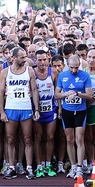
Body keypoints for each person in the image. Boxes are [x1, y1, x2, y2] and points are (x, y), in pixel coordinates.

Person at [0, 47, 40, 180]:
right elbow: (0, 92)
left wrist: (36, 109)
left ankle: (28, 167)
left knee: (27, 138)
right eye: (22, 57)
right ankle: (11, 167)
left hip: (26, 108)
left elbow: (34, 90)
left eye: (25, 56)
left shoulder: (29, 71)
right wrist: (1, 111)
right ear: (14, 58)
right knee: (10, 139)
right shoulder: (5, 72)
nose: (25, 59)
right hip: (11, 108)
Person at [55, 56, 93, 179]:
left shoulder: (84, 75)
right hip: (67, 111)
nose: (74, 70)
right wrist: (66, 94)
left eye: (76, 68)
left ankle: (80, 167)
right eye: (71, 68)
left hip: (80, 111)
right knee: (69, 139)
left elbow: (90, 95)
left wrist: (77, 93)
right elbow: (56, 95)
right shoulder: (62, 75)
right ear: (68, 65)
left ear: (79, 65)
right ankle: (73, 166)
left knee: (79, 139)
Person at [33, 48, 59, 178]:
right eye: (39, 60)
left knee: (50, 137)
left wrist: (59, 109)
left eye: (44, 60)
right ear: (35, 61)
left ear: (48, 59)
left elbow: (58, 91)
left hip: (51, 109)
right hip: (37, 110)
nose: (42, 62)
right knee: (38, 137)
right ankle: (39, 166)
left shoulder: (53, 71)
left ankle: (48, 164)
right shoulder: (32, 73)